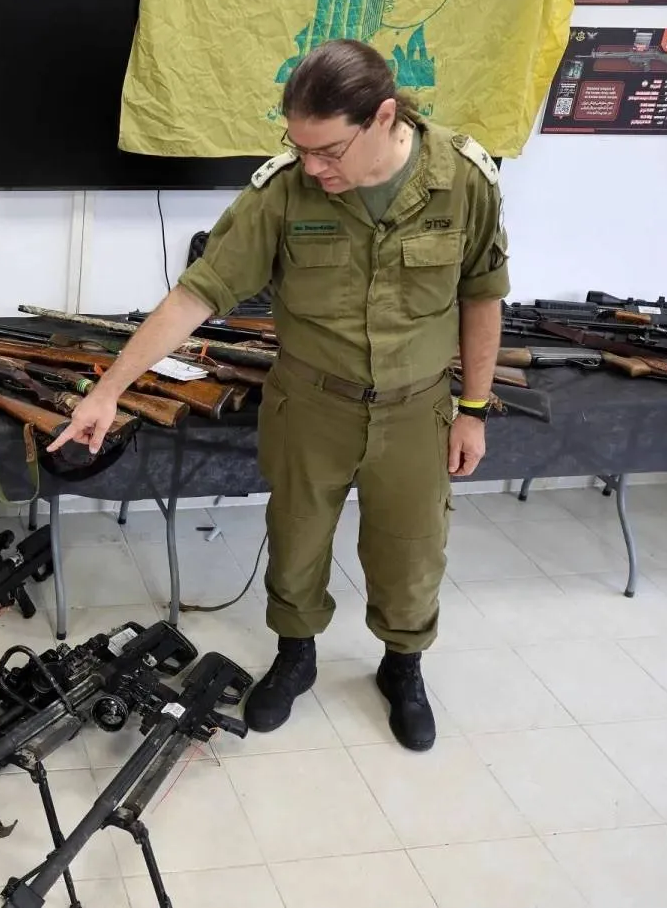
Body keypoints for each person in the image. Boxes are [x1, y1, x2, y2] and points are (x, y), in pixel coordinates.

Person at [50, 39, 509, 752]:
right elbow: (197, 294)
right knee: (296, 541)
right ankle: (296, 656)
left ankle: (403, 664)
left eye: (328, 151)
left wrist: (473, 409)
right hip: (311, 405)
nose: (313, 166)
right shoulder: (284, 190)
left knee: (413, 550)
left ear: (384, 117)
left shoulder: (463, 180)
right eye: (299, 147)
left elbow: (483, 296)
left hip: (416, 409)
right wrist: (109, 389)